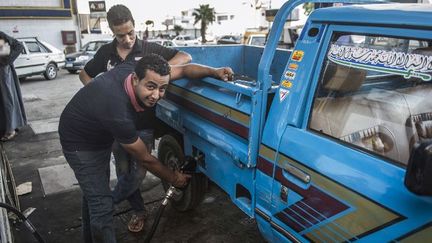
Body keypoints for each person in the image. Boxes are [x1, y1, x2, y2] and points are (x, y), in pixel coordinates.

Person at [59, 53, 233, 243]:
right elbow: (145, 158)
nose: (156, 95)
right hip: (80, 142)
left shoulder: (144, 69)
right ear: (135, 80)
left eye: (162, 88)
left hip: (98, 133)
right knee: (101, 205)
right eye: (151, 87)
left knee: (93, 194)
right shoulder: (116, 108)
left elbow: (183, 70)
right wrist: (175, 178)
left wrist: (214, 72)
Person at [79, 4, 192, 232]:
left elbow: (186, 56)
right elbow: (85, 73)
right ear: (111, 30)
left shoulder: (149, 48)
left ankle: (105, 205)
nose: (128, 39)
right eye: (121, 35)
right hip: (114, 127)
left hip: (142, 126)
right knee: (122, 171)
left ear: (134, 25)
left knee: (139, 172)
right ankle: (139, 212)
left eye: (130, 32)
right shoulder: (105, 53)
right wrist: (101, 96)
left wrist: (159, 71)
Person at [0, 31, 27, 141]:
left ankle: (11, 129)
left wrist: (7, 61)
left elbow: (18, 46)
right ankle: (9, 126)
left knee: (7, 100)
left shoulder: (1, 35)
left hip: (2, 71)